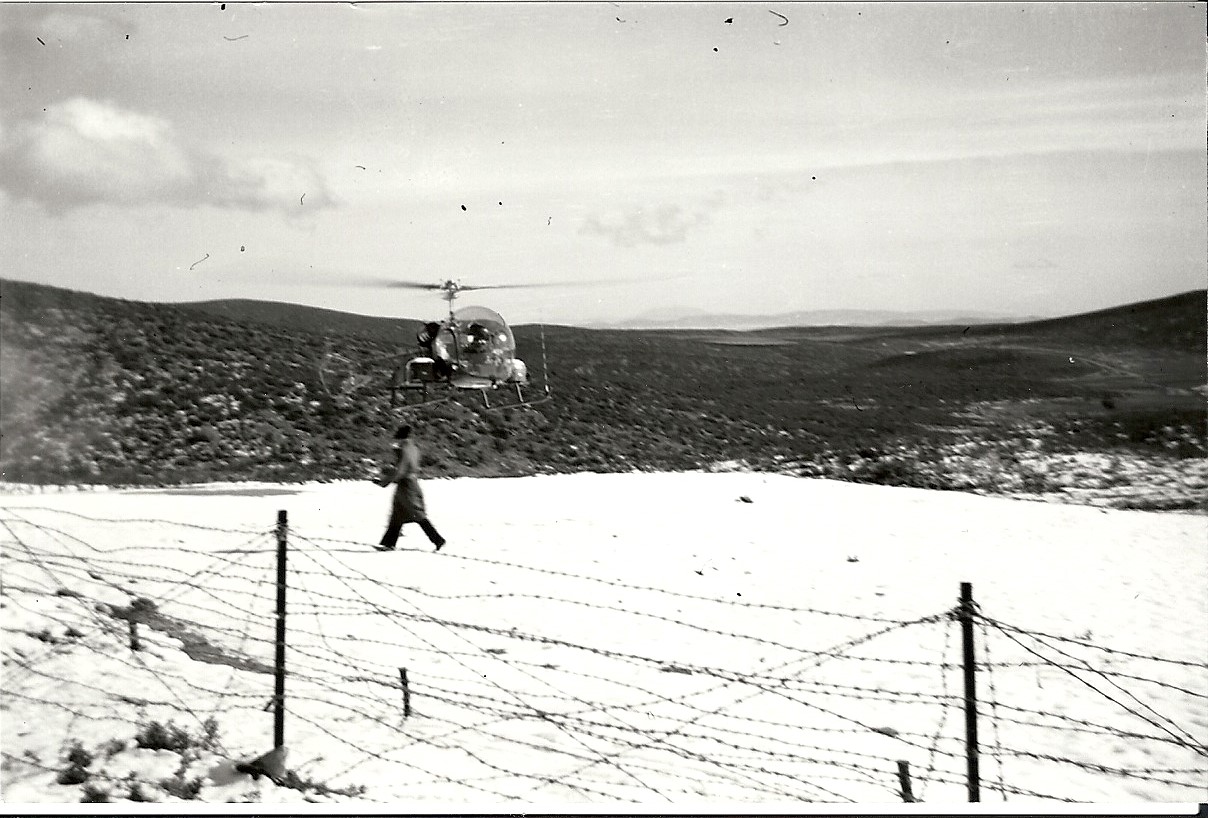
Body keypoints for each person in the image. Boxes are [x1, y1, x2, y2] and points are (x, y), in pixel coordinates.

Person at [375, 424, 446, 552]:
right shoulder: (414, 448)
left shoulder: (403, 450)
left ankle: (438, 539)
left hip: (406, 485)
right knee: (398, 514)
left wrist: (383, 482)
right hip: (412, 483)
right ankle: (388, 543)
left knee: (416, 513)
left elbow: (399, 471)